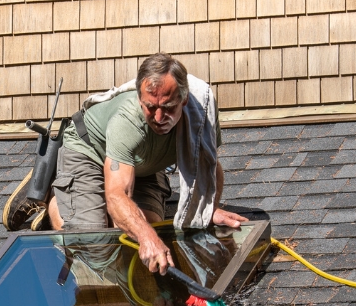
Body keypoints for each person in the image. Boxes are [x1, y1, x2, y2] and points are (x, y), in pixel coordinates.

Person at [44, 53, 248, 275]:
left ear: (185, 98)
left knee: (149, 232)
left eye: (169, 107)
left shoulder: (202, 112)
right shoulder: (128, 120)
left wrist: (207, 209)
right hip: (89, 151)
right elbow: (116, 195)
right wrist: (145, 237)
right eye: (150, 107)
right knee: (96, 244)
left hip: (143, 163)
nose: (159, 117)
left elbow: (209, 164)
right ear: (140, 98)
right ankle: (55, 198)